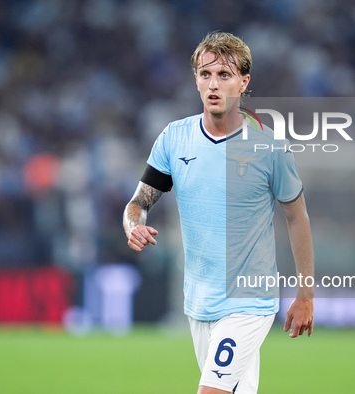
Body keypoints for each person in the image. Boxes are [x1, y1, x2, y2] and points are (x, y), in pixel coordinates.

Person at [123, 31, 314, 394]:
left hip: (248, 303)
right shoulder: (174, 139)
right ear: (195, 78)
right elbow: (138, 202)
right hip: (198, 302)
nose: (214, 84)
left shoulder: (269, 148)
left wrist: (305, 294)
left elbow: (297, 217)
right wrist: (134, 224)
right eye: (206, 73)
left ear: (243, 83)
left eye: (224, 75)